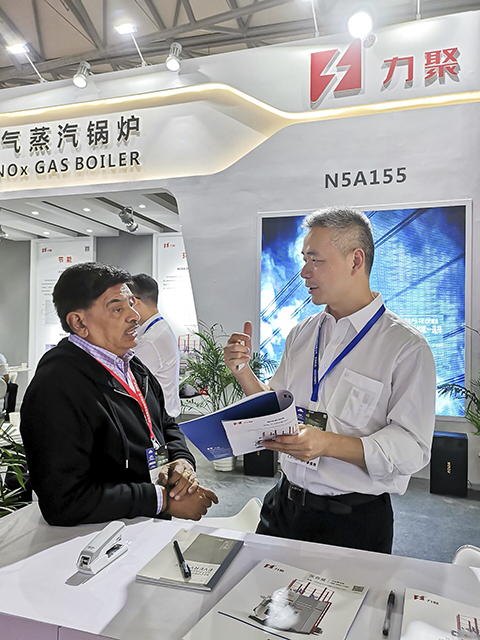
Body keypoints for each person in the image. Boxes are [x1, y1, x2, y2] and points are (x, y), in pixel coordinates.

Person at [224, 206, 436, 553]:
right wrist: (242, 371)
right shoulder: (302, 334)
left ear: (356, 261)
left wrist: (328, 444)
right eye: (304, 259)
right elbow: (276, 405)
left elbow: (412, 447)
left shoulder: (405, 347)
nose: (304, 272)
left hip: (352, 521)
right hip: (283, 507)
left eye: (315, 260)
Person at [20, 262, 217, 526]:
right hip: (95, 539)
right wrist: (161, 500)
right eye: (117, 308)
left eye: (132, 304)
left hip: (140, 526)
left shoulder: (131, 365)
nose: (134, 315)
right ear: (78, 322)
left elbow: (165, 423)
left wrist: (181, 460)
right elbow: (64, 501)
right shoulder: (56, 387)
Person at [129, 273, 181, 418]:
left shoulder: (151, 340)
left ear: (134, 301)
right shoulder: (155, 328)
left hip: (158, 418)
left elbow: (129, 380)